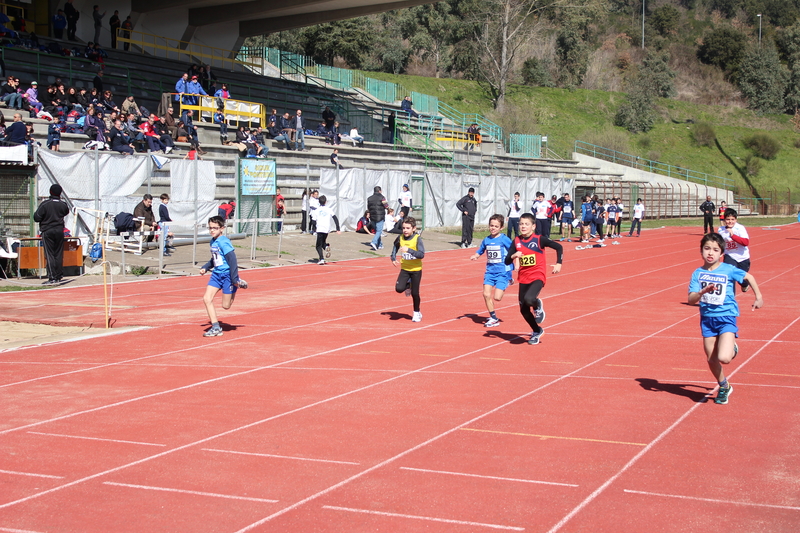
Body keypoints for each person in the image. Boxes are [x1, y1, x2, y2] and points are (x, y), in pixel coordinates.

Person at [688, 233, 763, 404]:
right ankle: (724, 386)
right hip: (707, 319)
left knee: (724, 358)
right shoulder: (698, 274)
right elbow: (691, 299)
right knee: (711, 359)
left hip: (726, 317)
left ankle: (732, 348)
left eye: (715, 250)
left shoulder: (728, 269)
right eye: (707, 248)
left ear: (721, 253)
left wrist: (758, 296)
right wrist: (701, 292)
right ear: (701, 251)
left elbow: (748, 277)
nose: (710, 253)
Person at [505, 213, 563, 345]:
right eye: (521, 224)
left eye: (526, 224)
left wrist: (559, 263)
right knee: (523, 310)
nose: (523, 226)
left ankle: (537, 305)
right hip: (523, 278)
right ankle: (537, 331)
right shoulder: (517, 241)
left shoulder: (539, 239)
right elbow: (507, 260)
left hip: (538, 275)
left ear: (533, 226)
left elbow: (559, 247)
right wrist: (514, 255)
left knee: (529, 299)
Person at [199, 216, 247, 337]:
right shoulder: (212, 241)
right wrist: (206, 267)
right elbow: (215, 258)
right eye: (210, 228)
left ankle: (237, 283)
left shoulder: (224, 241)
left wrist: (234, 278)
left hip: (227, 275)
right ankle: (216, 327)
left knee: (226, 306)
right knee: (206, 298)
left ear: (222, 228)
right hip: (216, 274)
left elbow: (232, 259)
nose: (212, 230)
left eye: (215, 228)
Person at [471, 214, 514, 327]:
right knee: (486, 294)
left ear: (501, 227)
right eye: (491, 225)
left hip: (502, 272)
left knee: (497, 297)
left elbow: (514, 250)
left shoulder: (504, 239)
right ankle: (493, 318)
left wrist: (515, 261)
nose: (493, 228)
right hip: (490, 271)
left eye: (496, 226)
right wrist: (476, 255)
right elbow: (481, 250)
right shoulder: (486, 240)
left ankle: (508, 281)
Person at [33, 184, 70, 285]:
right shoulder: (63, 204)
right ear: (60, 193)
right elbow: (66, 212)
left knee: (49, 254)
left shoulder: (45, 204)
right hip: (59, 230)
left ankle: (52, 277)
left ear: (50, 192)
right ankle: (58, 275)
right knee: (58, 253)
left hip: (47, 230)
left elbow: (36, 217)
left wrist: (47, 217)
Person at [391, 216, 425, 322]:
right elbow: (395, 246)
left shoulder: (417, 239)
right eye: (404, 228)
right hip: (405, 268)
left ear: (413, 228)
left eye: (408, 228)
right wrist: (393, 257)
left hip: (416, 270)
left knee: (415, 293)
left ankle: (416, 313)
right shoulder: (400, 237)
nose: (405, 230)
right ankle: (407, 285)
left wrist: (409, 250)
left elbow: (421, 254)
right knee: (399, 289)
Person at [718, 208, 752, 292]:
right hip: (730, 256)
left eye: (732, 219)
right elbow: (720, 243)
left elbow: (745, 242)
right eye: (728, 219)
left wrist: (732, 236)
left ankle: (744, 284)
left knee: (740, 277)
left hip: (742, 257)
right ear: (724, 220)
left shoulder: (740, 228)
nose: (730, 222)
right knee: (730, 275)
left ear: (736, 220)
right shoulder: (721, 230)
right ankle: (730, 297)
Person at [314, 195, 340, 265]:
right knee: (322, 242)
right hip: (326, 229)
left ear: (319, 202)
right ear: (326, 202)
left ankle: (321, 258)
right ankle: (326, 246)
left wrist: (314, 229)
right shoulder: (329, 209)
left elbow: (313, 220)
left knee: (318, 246)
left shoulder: (316, 210)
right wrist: (338, 228)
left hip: (320, 228)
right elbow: (335, 218)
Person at [367, 185, 389, 250]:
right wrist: (388, 209)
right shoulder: (382, 197)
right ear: (380, 191)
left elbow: (368, 207)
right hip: (380, 216)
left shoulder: (369, 198)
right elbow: (386, 206)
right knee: (379, 231)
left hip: (372, 216)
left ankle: (380, 245)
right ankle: (374, 242)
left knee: (377, 231)